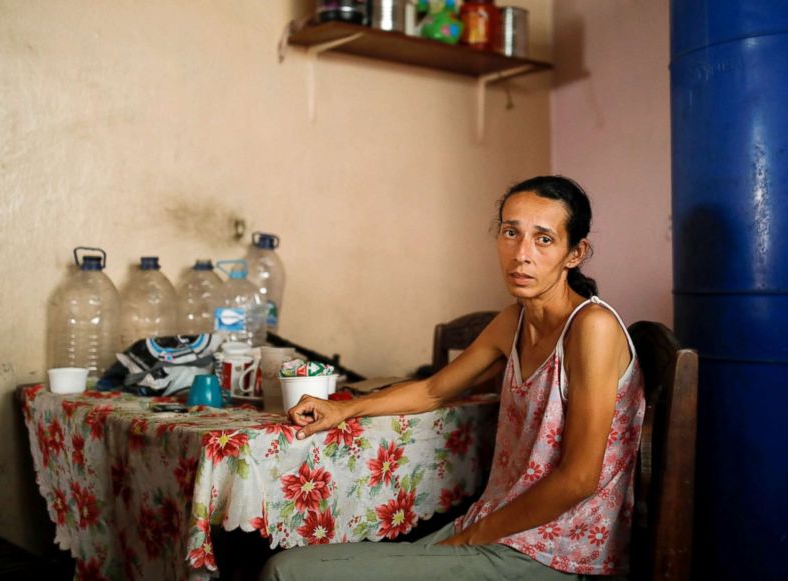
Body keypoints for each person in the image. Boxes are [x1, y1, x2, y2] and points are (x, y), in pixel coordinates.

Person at [263, 175, 644, 580]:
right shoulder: (514, 321)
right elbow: (432, 390)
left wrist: (471, 537)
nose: (521, 254)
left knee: (285, 571)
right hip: (499, 529)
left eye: (544, 239)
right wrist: (343, 409)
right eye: (510, 232)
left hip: (556, 553)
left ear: (575, 252)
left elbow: (579, 479)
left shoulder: (592, 327)